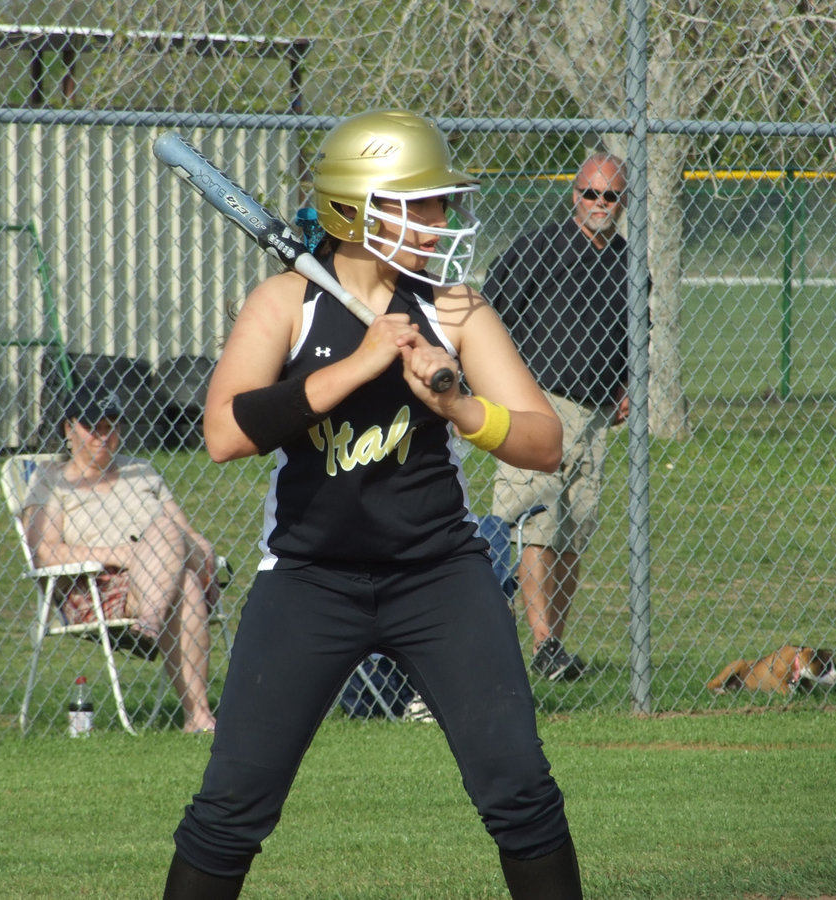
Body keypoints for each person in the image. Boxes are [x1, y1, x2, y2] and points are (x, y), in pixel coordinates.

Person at [164, 109, 583, 899]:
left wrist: (459, 403)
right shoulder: (284, 303)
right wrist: (355, 368)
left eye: (441, 204)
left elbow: (544, 441)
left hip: (438, 577)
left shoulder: (453, 310)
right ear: (355, 210)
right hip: (310, 580)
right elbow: (224, 431)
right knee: (231, 809)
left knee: (521, 793)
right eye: (420, 204)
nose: (440, 221)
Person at [483, 152, 638, 682]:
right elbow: (490, 315)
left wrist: (624, 386)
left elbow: (636, 337)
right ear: (574, 194)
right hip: (538, 402)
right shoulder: (537, 249)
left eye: (610, 196)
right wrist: (506, 387)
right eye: (590, 193)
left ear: (623, 203)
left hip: (596, 415)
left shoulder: (628, 264)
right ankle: (542, 640)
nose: (599, 204)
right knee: (534, 523)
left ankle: (551, 652)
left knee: (574, 529)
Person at [23, 380, 220, 734]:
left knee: (167, 533)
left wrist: (199, 547)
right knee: (187, 582)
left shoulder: (141, 470)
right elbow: (46, 553)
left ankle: (151, 618)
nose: (102, 435)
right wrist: (121, 554)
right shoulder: (52, 481)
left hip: (160, 572)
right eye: (92, 427)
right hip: (101, 586)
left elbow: (182, 533)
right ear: (69, 428)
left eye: (110, 425)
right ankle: (199, 716)